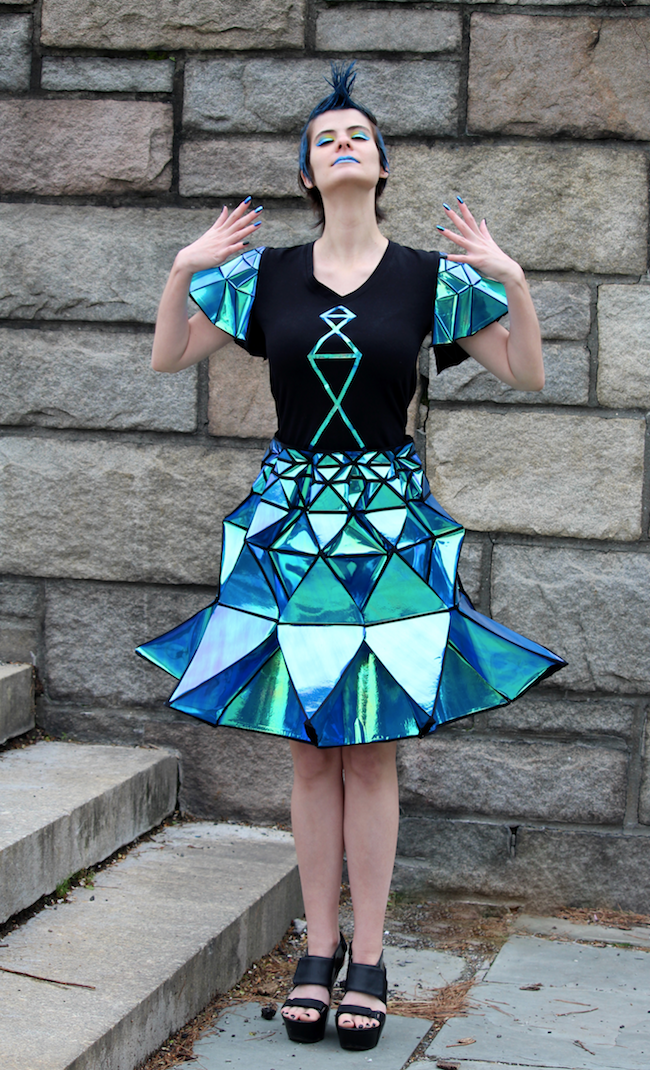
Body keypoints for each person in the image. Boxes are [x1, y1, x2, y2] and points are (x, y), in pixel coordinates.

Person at [136, 64, 565, 1051]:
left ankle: (369, 954)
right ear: (304, 171)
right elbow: (169, 356)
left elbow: (530, 371)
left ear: (381, 165)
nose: (342, 144)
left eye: (358, 135)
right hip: (291, 526)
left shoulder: (425, 277)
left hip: (385, 528)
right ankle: (317, 948)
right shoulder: (268, 273)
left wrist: (514, 281)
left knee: (368, 747)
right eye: (325, 136)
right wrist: (180, 264)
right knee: (307, 747)